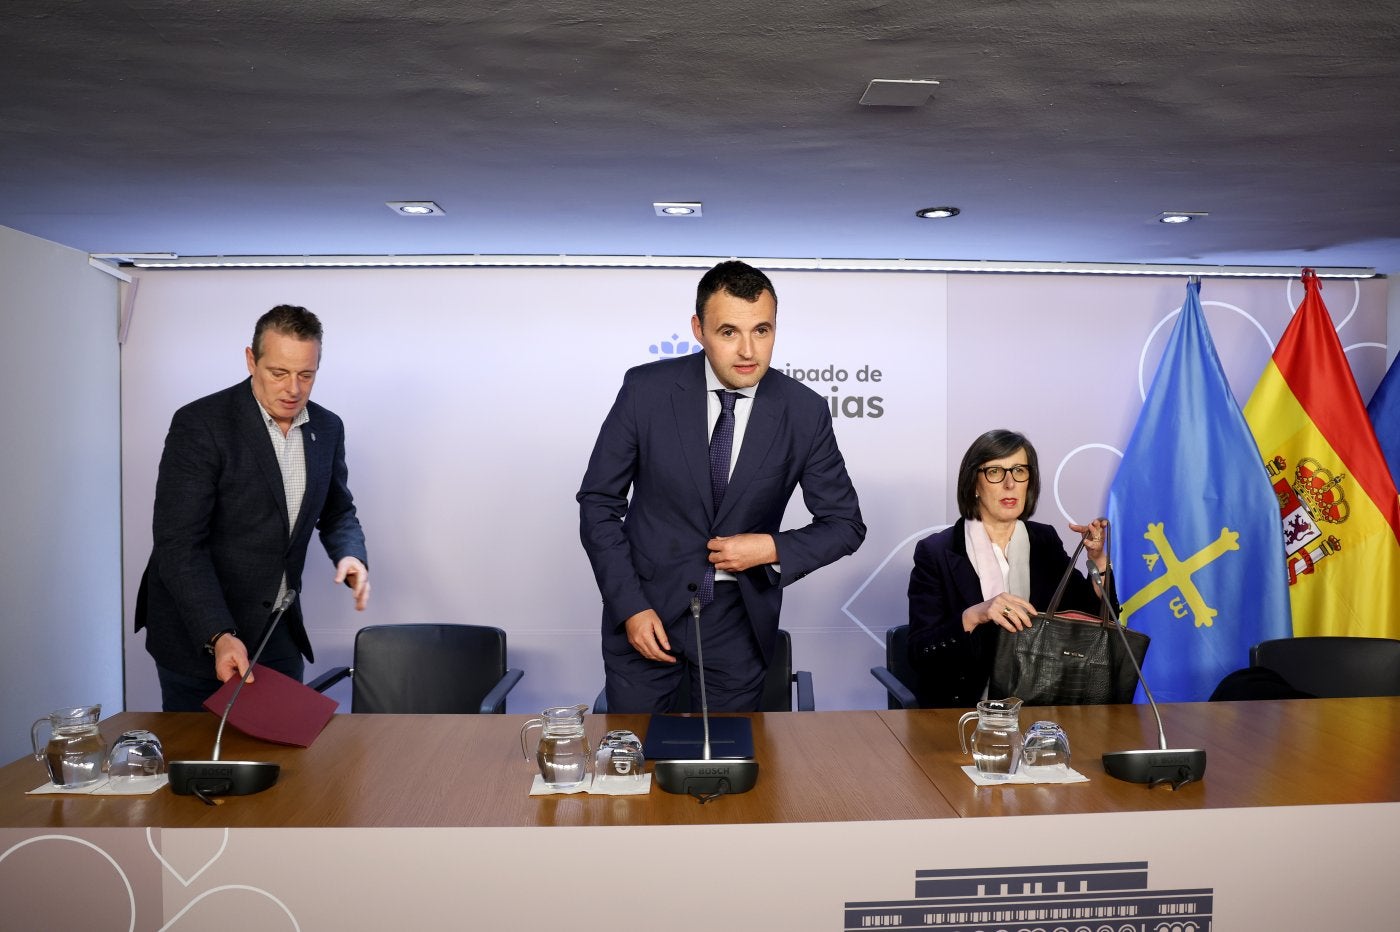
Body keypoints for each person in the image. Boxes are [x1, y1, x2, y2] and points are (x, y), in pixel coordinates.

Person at [578, 260, 865, 713]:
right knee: (637, 772)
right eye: (729, 332)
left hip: (738, 623)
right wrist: (630, 607)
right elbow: (598, 503)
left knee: (728, 771)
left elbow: (845, 525)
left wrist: (770, 548)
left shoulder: (804, 412)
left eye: (763, 331)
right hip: (646, 615)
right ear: (699, 329)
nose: (748, 350)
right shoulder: (645, 390)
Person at [135, 304, 370, 712]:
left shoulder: (327, 427)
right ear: (251, 360)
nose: (293, 388)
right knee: (200, 762)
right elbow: (178, 544)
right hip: (199, 628)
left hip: (275, 627)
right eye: (278, 373)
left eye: (306, 375)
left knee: (284, 758)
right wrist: (218, 634)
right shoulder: (201, 424)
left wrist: (350, 553)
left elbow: (337, 510)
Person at [907, 428, 1109, 708]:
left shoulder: (1044, 541)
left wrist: (1097, 561)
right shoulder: (937, 552)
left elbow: (1092, 620)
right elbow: (919, 651)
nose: (1010, 484)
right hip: (965, 708)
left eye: (1019, 471)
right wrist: (974, 615)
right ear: (974, 484)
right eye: (995, 472)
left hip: (1045, 705)